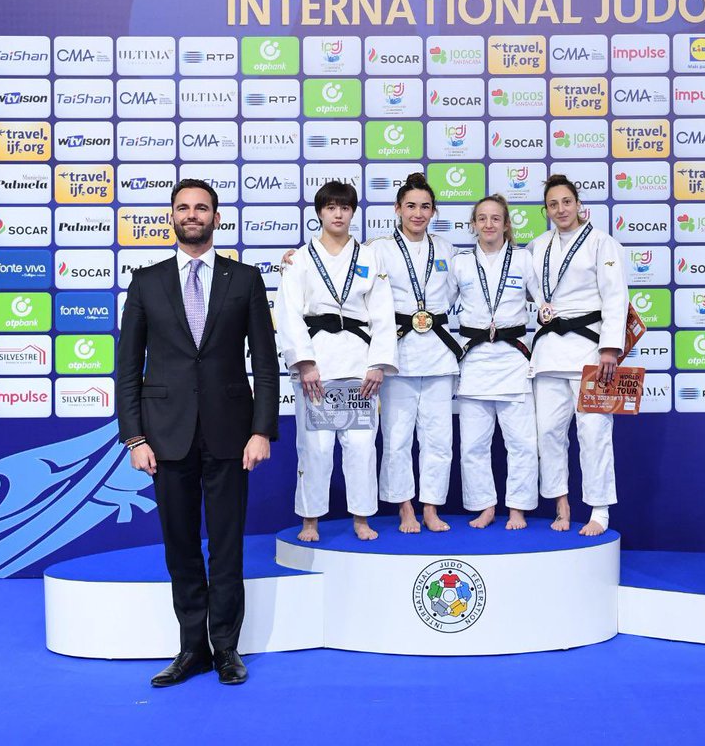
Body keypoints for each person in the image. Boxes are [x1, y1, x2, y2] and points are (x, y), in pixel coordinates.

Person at [116, 178, 279, 688]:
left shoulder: (246, 279)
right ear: (172, 217)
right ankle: (192, 650)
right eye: (183, 208)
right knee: (180, 545)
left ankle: (227, 649)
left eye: (201, 207)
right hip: (165, 438)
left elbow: (267, 365)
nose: (192, 214)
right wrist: (134, 438)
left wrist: (262, 431)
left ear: (216, 216)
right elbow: (127, 369)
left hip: (233, 434)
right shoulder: (145, 281)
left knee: (227, 546)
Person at [274, 180, 397, 543]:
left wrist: (378, 364)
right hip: (318, 368)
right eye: (331, 207)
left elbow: (383, 314)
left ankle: (361, 517)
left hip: (359, 367)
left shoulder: (370, 257)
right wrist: (304, 363)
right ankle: (310, 520)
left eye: (344, 207)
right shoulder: (299, 258)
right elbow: (288, 314)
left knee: (361, 446)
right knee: (316, 447)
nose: (338, 213)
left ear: (353, 212)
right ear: (320, 213)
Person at [527, 174, 629, 536]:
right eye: (553, 204)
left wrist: (609, 349)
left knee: (594, 432)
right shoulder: (537, 246)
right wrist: (538, 309)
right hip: (549, 352)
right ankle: (561, 503)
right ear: (546, 209)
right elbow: (532, 295)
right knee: (548, 433)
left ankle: (599, 509)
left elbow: (616, 297)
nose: (560, 210)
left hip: (590, 351)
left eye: (566, 202)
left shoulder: (602, 243)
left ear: (578, 203)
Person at [371, 172, 461, 533]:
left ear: (434, 211)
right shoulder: (377, 249)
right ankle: (404, 507)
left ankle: (430, 507)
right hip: (398, 352)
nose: (418, 213)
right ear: (397, 209)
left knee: (439, 437)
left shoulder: (447, 249)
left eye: (425, 206)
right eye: (411, 206)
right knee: (397, 436)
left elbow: (458, 293)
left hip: (439, 351)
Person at [451, 194, 538, 530]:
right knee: (473, 444)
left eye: (495, 218)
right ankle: (485, 505)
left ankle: (517, 508)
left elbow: (546, 295)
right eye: (482, 218)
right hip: (474, 361)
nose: (489, 224)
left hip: (513, 359)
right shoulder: (460, 263)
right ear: (473, 225)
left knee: (522, 443)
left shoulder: (523, 260)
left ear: (506, 224)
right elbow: (435, 300)